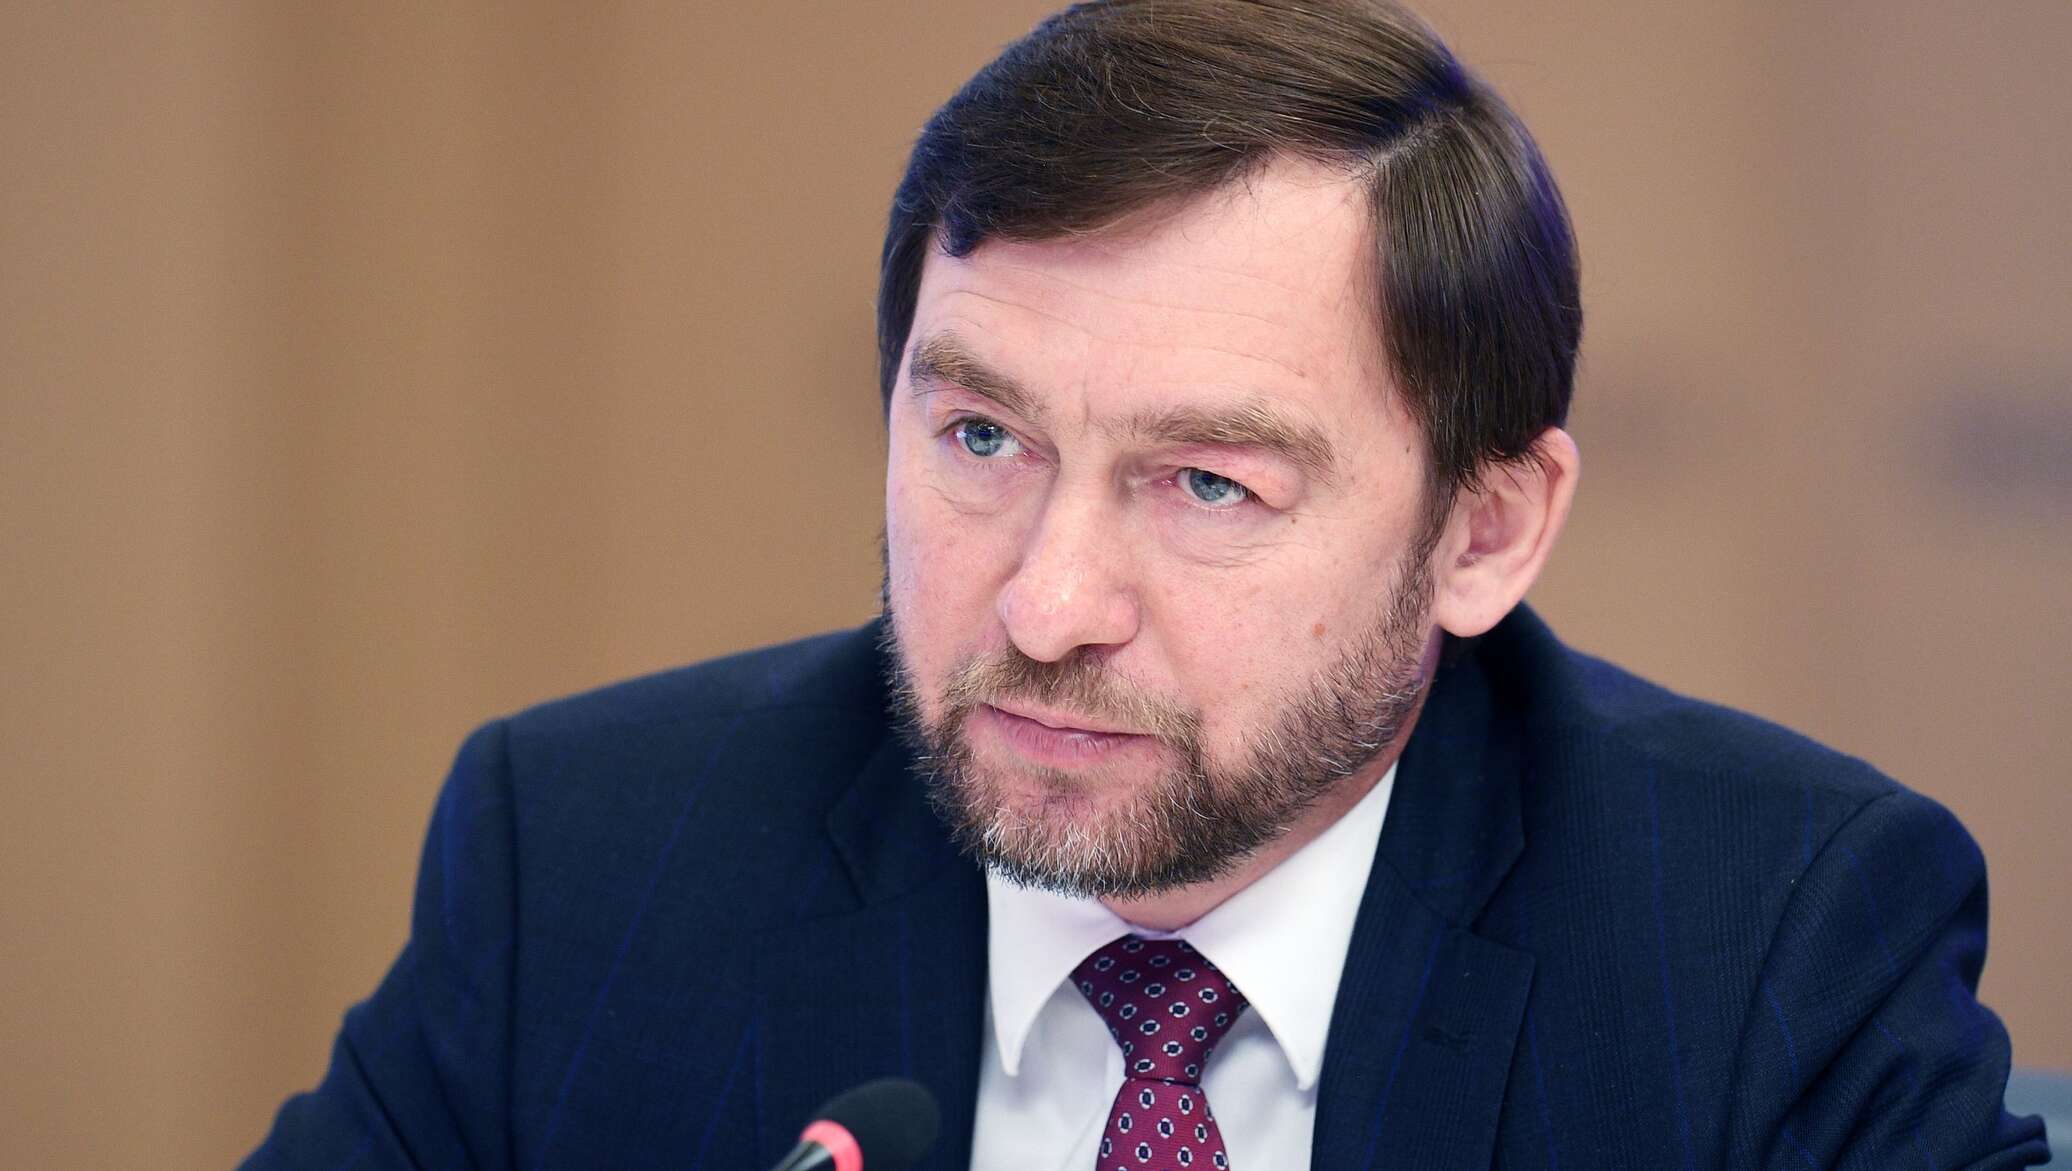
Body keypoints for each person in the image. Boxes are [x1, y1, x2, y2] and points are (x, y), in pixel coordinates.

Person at [242, 2, 2048, 1168]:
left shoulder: (1767, 942)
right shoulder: (593, 862)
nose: (1046, 608)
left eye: (1206, 485)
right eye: (981, 439)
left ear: (1485, 532)